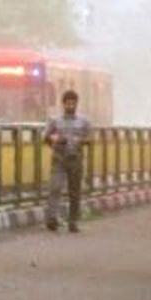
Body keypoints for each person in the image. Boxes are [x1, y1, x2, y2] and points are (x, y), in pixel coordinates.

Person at [45, 89, 91, 233]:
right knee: (55, 188)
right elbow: (46, 137)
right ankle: (52, 218)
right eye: (68, 104)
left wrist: (80, 140)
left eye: (73, 103)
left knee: (74, 191)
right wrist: (54, 139)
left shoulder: (84, 121)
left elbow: (90, 139)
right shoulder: (55, 121)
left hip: (75, 158)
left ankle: (73, 221)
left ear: (76, 104)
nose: (70, 106)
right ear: (63, 104)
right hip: (59, 158)